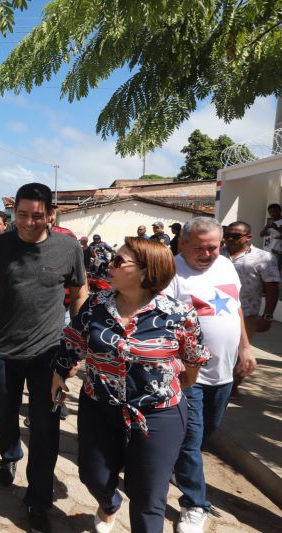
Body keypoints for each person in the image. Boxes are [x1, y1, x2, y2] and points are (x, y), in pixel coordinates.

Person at [52, 237, 209, 533]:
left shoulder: (178, 315)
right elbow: (74, 340)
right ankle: (109, 504)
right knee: (93, 475)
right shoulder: (96, 305)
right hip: (99, 406)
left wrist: (173, 386)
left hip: (157, 415)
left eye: (118, 261)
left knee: (148, 495)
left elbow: (193, 360)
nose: (109, 265)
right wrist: (59, 373)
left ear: (146, 271)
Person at [0, 182, 87, 533]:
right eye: (21, 214)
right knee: (5, 416)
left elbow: (79, 292)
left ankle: (39, 499)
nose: (28, 222)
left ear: (51, 214)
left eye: (37, 216)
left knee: (46, 427)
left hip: (49, 355)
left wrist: (75, 344)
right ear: (13, 213)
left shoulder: (68, 247)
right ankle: (9, 456)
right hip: (3, 351)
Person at [167, 217, 257, 533]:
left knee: (206, 432)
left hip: (224, 372)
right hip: (187, 374)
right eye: (200, 248)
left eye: (214, 246)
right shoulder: (171, 272)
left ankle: (175, 467)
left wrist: (245, 347)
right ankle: (194, 504)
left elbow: (234, 308)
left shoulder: (225, 266)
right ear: (183, 245)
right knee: (192, 439)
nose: (209, 254)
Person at [221, 221, 279, 396]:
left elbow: (272, 287)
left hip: (246, 313)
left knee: (240, 351)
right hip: (216, 311)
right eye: (228, 235)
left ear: (248, 237)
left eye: (236, 235)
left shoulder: (264, 257)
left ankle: (233, 386)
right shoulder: (216, 253)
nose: (230, 238)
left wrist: (267, 315)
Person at [260, 203, 282, 271]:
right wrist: (266, 228)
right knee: (266, 271)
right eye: (270, 212)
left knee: (275, 272)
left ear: (280, 211)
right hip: (266, 250)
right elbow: (261, 235)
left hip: (277, 251)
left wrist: (276, 228)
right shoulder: (269, 222)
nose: (272, 214)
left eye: (274, 211)